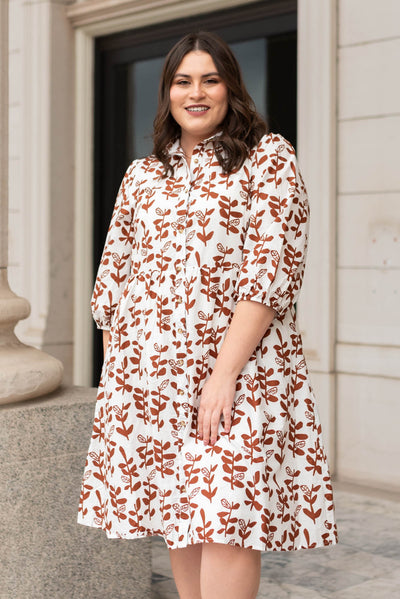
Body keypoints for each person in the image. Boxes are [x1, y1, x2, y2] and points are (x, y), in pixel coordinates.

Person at [78, 31, 338, 599]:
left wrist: (222, 375)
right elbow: (114, 281)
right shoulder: (142, 176)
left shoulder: (268, 158)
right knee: (182, 520)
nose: (196, 93)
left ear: (230, 88)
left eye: (210, 80)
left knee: (226, 520)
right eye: (182, 81)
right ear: (168, 92)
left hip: (241, 377)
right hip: (150, 381)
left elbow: (270, 272)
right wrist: (118, 384)